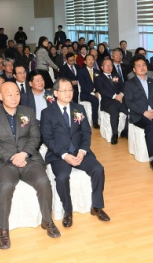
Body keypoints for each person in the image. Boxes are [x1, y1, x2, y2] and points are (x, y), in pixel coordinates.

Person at [0, 82, 61, 249]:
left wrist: (24, 153)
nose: (14, 97)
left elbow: (35, 137)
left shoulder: (28, 112)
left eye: (17, 93)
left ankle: (47, 220)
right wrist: (12, 157)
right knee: (6, 185)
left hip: (29, 159)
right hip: (5, 162)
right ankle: (3, 230)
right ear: (0, 96)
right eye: (9, 94)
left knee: (43, 181)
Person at [41, 78, 110, 227]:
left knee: (98, 169)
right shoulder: (47, 112)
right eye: (64, 90)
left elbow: (86, 132)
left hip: (79, 151)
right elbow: (47, 139)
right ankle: (68, 211)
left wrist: (83, 151)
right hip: (59, 154)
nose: (68, 93)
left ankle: (97, 206)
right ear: (55, 93)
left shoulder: (79, 108)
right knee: (62, 177)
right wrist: (64, 155)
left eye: (70, 90)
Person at [124, 55, 153, 171]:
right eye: (139, 66)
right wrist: (144, 112)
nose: (142, 68)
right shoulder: (130, 84)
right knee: (150, 126)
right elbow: (128, 103)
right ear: (134, 70)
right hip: (138, 115)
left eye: (144, 65)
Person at [94, 58, 129, 144]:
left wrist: (121, 94)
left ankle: (125, 130)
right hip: (107, 102)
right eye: (107, 65)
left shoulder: (115, 76)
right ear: (102, 67)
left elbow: (123, 86)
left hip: (119, 100)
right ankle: (115, 134)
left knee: (130, 110)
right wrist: (115, 96)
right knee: (114, 112)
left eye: (111, 65)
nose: (109, 67)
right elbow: (102, 90)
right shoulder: (99, 77)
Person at [77, 54, 101, 128]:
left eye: (92, 59)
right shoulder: (81, 72)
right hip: (86, 94)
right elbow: (83, 86)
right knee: (95, 100)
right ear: (85, 62)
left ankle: (102, 119)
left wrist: (98, 92)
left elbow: (100, 83)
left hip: (96, 93)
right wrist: (93, 93)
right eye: (89, 60)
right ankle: (95, 122)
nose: (91, 61)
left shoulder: (97, 71)